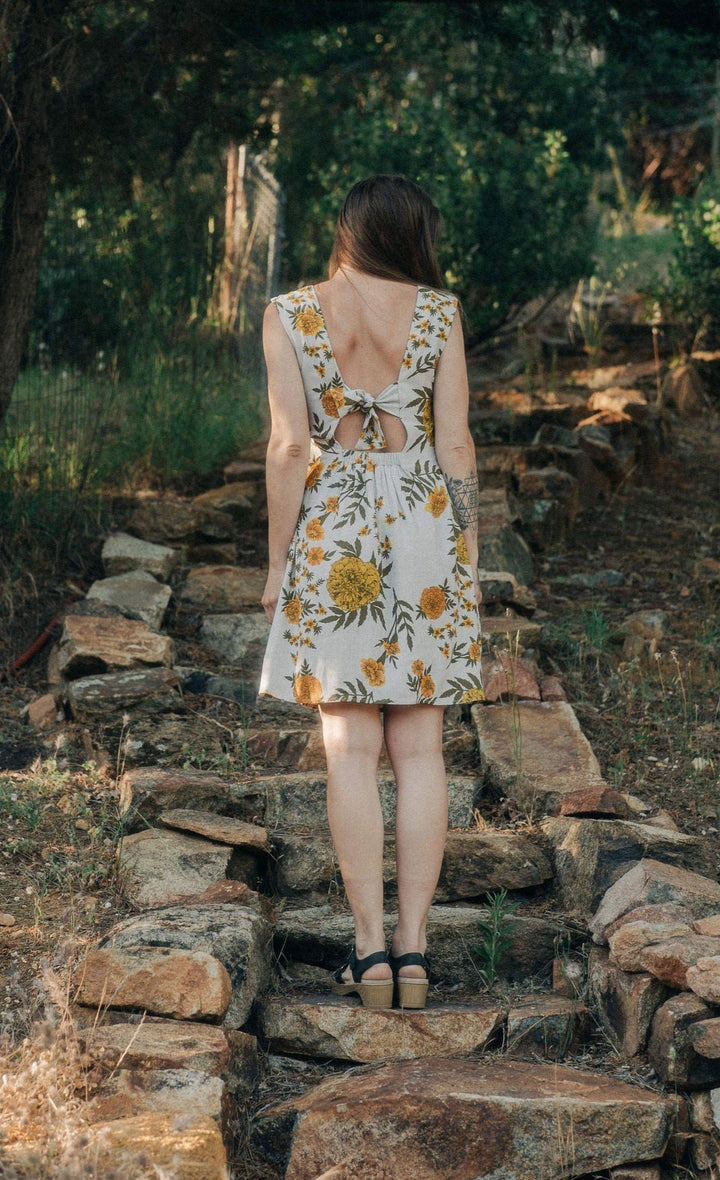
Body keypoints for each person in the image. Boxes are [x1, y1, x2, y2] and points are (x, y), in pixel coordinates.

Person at [259, 174, 483, 1010]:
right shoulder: (437, 313)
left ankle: (367, 951)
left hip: (333, 530)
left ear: (347, 229)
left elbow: (288, 448)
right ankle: (415, 951)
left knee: (349, 748)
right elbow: (455, 442)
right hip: (424, 525)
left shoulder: (290, 313)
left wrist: (279, 562)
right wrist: (465, 551)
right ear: (412, 233)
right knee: (419, 750)